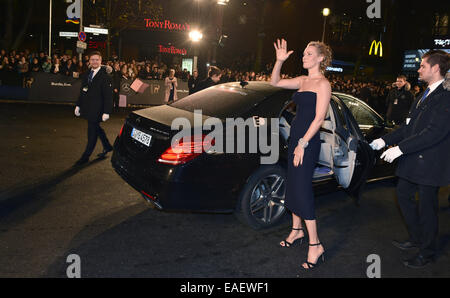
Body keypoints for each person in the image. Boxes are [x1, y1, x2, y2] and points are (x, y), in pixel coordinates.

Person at [370, 50, 450, 269]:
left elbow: (434, 133)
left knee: (427, 208)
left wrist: (400, 150)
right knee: (403, 195)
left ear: (435, 68)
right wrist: (383, 141)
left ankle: (428, 251)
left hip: (431, 163)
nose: (418, 69)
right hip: (415, 158)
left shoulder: (445, 96)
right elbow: (409, 128)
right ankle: (416, 237)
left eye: (422, 66)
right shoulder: (424, 95)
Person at [271, 39, 332, 270]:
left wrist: (302, 144)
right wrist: (279, 61)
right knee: (293, 187)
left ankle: (315, 244)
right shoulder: (303, 80)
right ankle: (297, 231)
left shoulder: (323, 84)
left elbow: (319, 118)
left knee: (303, 191)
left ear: (320, 58)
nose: (304, 57)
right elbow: (275, 82)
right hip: (296, 138)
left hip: (308, 142)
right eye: (304, 53)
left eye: (308, 54)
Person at [74, 51, 113, 166]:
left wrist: (107, 112)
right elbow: (83, 91)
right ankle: (107, 146)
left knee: (91, 132)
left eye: (97, 59)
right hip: (88, 108)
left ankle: (85, 156)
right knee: (96, 128)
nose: (95, 62)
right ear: (89, 61)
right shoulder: (87, 74)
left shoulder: (105, 76)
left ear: (101, 61)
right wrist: (78, 105)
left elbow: (108, 96)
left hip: (98, 110)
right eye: (92, 59)